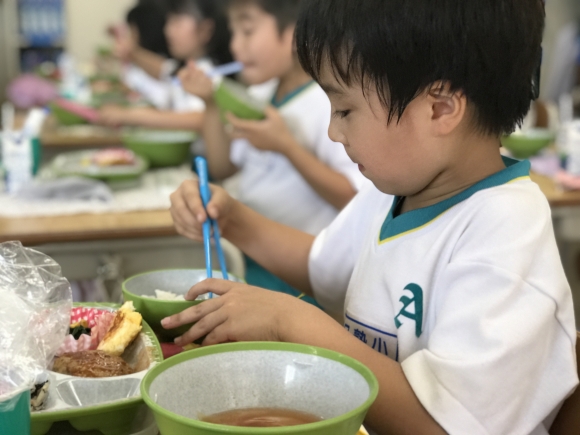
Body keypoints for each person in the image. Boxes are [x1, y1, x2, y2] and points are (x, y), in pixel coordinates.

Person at [165, 0, 579, 433]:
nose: (333, 131)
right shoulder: (398, 191)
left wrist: (290, 321)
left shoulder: (504, 235)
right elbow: (321, 266)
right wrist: (231, 219)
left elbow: (442, 426)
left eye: (345, 110)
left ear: (440, 108)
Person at [177, 0, 365, 304]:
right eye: (233, 33)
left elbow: (354, 197)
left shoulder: (326, 104)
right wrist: (211, 104)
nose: (236, 46)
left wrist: (287, 147)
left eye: (247, 31)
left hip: (298, 277)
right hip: (250, 255)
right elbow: (223, 166)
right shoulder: (259, 95)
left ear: (292, 36)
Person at [98, 0, 232, 130]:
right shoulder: (186, 66)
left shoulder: (213, 73)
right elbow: (163, 69)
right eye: (169, 21)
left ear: (204, 30)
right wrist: (132, 53)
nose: (167, 30)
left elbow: (200, 119)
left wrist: (130, 115)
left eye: (177, 22)